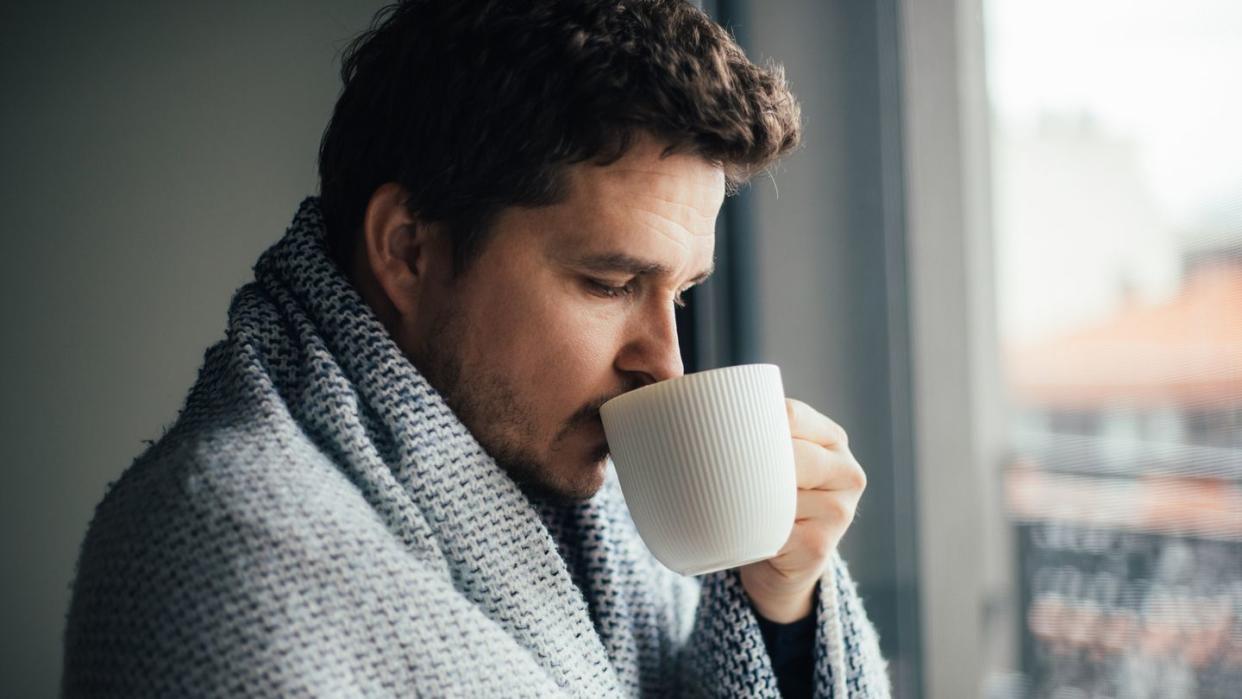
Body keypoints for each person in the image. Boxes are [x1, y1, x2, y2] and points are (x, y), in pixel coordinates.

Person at [62, 1, 889, 696]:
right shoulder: (225, 557)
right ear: (408, 249)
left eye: (683, 292)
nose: (665, 363)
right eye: (609, 283)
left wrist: (779, 601)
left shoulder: (594, 505)